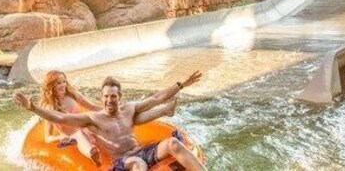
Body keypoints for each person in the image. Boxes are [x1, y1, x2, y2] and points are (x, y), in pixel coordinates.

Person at [15, 71, 205, 171]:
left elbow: (157, 97)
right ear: (102, 98)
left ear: (119, 96)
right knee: (139, 165)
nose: (109, 100)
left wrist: (181, 84)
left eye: (113, 96)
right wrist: (32, 107)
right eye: (106, 96)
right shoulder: (93, 119)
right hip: (124, 160)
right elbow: (60, 117)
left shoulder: (129, 109)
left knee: (173, 143)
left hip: (142, 151)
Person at [40, 70, 178, 166]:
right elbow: (48, 137)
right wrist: (61, 137)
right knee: (78, 134)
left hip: (86, 127)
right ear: (51, 86)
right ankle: (92, 155)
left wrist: (110, 113)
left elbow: (92, 106)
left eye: (64, 81)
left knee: (122, 119)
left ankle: (163, 111)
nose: (63, 85)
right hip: (72, 137)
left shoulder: (72, 95)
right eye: (58, 83)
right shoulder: (49, 108)